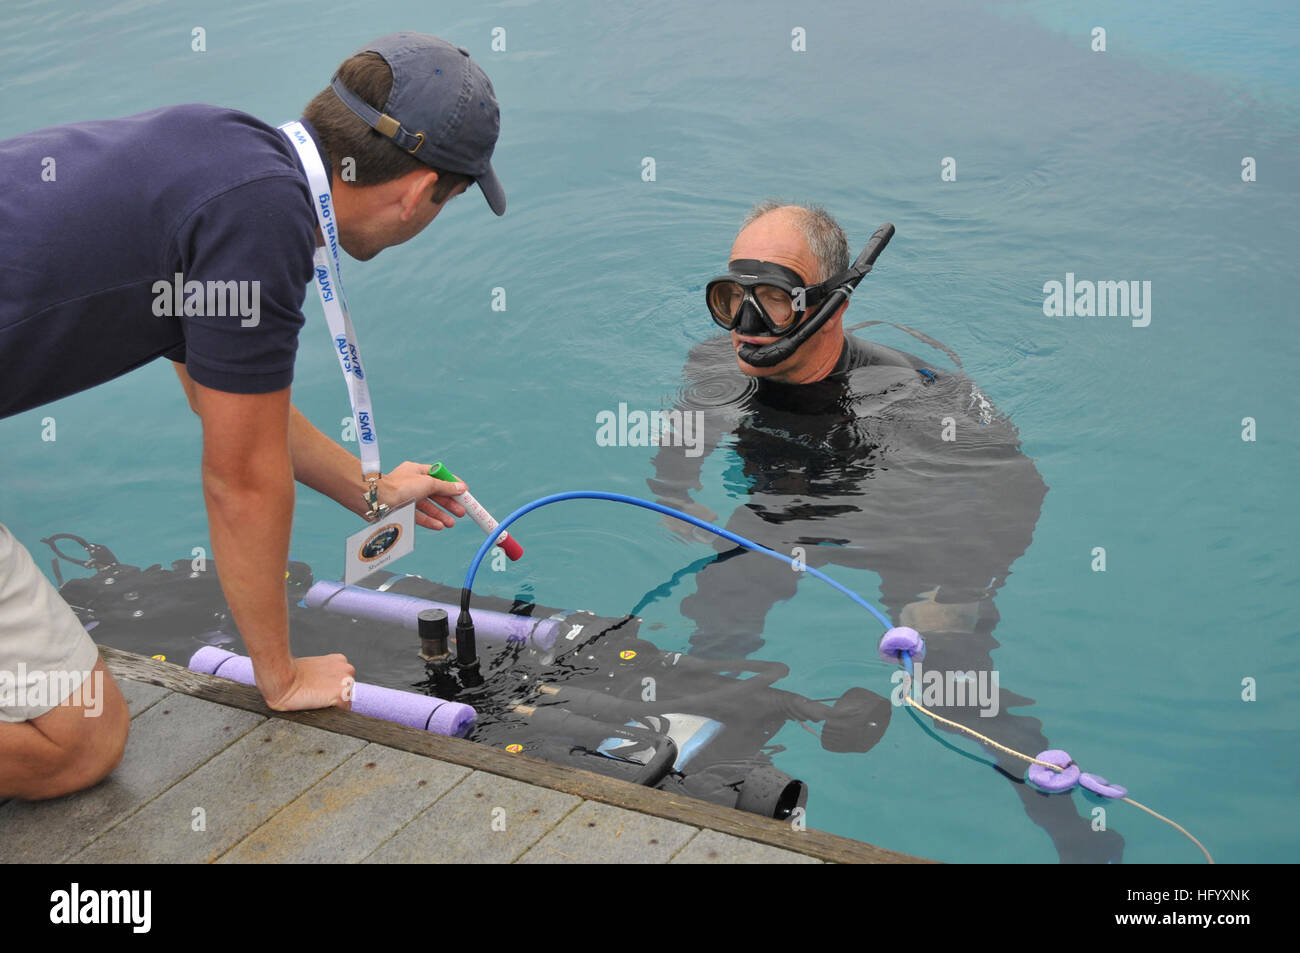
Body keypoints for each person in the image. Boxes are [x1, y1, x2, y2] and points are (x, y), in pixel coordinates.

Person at [0, 33, 503, 799]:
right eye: (447, 203)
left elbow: (219, 398)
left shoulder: (225, 149)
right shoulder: (262, 229)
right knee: (77, 742)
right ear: (416, 192)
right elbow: (240, 480)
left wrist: (368, 490)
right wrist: (281, 672)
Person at [648, 202, 1122, 862]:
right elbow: (683, 437)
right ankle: (698, 801)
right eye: (731, 298)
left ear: (831, 306)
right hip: (779, 515)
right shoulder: (713, 366)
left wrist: (957, 592)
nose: (746, 327)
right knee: (710, 646)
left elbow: (1019, 490)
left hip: (903, 527)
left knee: (955, 688)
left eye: (775, 301)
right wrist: (674, 495)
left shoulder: (914, 397)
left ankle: (1085, 840)